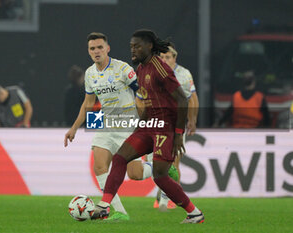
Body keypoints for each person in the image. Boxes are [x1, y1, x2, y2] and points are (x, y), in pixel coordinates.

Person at [91, 29, 204, 224]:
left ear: (149, 46)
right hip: (149, 124)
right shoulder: (141, 70)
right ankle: (104, 206)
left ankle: (194, 213)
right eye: (131, 47)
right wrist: (139, 126)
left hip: (164, 127)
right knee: (119, 158)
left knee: (160, 177)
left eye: (137, 46)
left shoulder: (160, 69)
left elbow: (183, 100)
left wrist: (178, 134)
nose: (133, 50)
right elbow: (148, 102)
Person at [64, 32, 152, 221]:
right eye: (92, 48)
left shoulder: (122, 68)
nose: (96, 51)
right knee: (99, 166)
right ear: (89, 51)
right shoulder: (90, 73)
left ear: (107, 48)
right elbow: (88, 103)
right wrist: (74, 128)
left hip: (128, 123)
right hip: (106, 123)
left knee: (135, 174)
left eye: (99, 47)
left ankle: (159, 166)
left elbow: (143, 94)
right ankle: (119, 212)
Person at [152, 45, 199, 210]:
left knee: (173, 162)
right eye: (162, 57)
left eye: (168, 57)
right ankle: (164, 195)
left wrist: (192, 120)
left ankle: (172, 199)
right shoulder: (154, 72)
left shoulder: (183, 75)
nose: (164, 60)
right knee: (158, 163)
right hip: (157, 123)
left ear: (175, 58)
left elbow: (192, 98)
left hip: (175, 124)